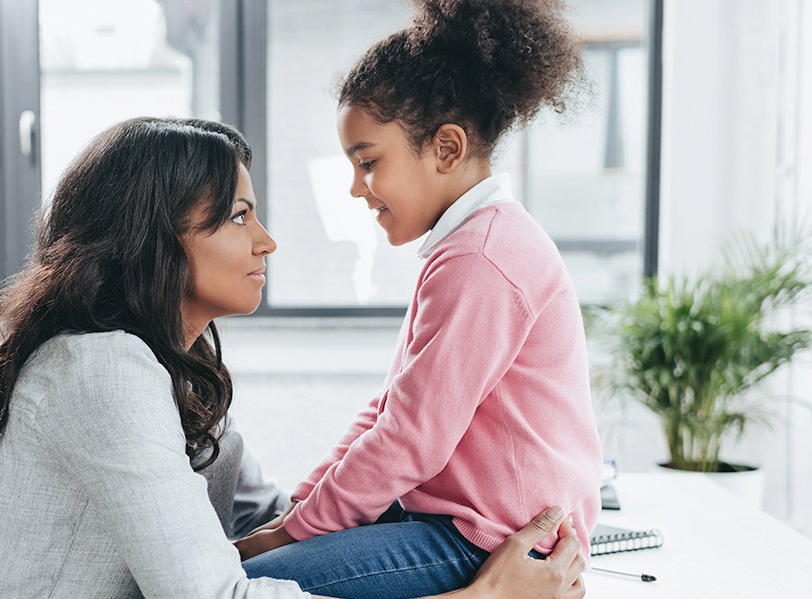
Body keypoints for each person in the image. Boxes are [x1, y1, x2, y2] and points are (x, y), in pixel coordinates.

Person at [0, 116, 585, 598]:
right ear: (153, 238)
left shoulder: (172, 384)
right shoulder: (99, 371)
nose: (267, 241)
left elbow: (275, 527)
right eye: (236, 216)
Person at [235, 0, 603, 596]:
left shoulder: (482, 258)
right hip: (453, 520)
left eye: (369, 163)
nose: (357, 188)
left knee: (247, 583)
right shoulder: (471, 245)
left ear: (447, 149)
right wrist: (299, 512)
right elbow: (389, 410)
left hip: (489, 539)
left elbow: (410, 439)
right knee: (245, 570)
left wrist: (289, 535)